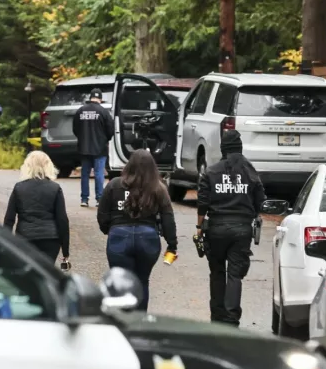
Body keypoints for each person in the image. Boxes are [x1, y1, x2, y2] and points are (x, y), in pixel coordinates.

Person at [195, 130, 266, 327]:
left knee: (217, 272)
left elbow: (202, 203)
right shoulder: (250, 171)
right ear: (240, 147)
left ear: (223, 149)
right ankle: (231, 318)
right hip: (242, 230)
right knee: (235, 275)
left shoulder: (211, 171)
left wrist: (199, 227)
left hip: (216, 228)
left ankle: (217, 316)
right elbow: (261, 201)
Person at [97, 149, 177, 310]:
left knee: (119, 282)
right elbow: (168, 218)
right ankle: (140, 321)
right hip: (147, 238)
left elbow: (102, 215)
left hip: (119, 237)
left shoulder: (114, 185)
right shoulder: (158, 188)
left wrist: (109, 229)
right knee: (142, 281)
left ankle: (122, 320)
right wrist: (172, 245)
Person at [3, 151, 70, 266]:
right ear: (48, 166)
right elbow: (62, 220)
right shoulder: (55, 188)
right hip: (50, 239)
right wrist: (65, 250)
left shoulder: (19, 188)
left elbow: (9, 219)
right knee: (46, 274)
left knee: (28, 275)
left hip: (25, 237)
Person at [72, 88, 113, 207]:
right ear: (100, 99)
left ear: (90, 98)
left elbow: (75, 129)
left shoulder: (81, 111)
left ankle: (84, 199)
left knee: (84, 174)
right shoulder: (103, 112)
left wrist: (82, 138)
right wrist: (105, 140)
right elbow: (110, 129)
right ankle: (99, 199)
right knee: (99, 174)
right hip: (99, 148)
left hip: (84, 148)